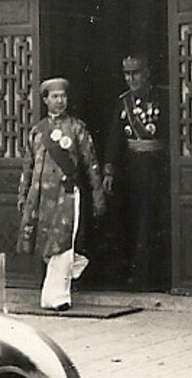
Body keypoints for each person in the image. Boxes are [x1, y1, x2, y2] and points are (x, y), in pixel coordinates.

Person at [16, 77, 106, 312]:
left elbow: (91, 164)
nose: (60, 101)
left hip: (65, 193)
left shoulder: (77, 128)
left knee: (63, 242)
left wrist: (98, 195)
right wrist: (23, 195)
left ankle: (57, 297)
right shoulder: (37, 132)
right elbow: (28, 166)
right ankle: (55, 291)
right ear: (46, 100)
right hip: (40, 197)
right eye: (54, 97)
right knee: (46, 242)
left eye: (63, 96)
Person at [101, 53, 170, 291]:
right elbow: (114, 139)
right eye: (127, 74)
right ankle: (135, 275)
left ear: (148, 71)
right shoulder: (123, 102)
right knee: (133, 222)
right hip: (132, 170)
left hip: (158, 167)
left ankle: (160, 276)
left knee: (157, 220)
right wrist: (109, 171)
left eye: (136, 73)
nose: (131, 79)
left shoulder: (165, 97)